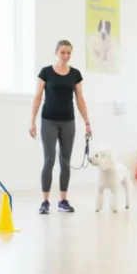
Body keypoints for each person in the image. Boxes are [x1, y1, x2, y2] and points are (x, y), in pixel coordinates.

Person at [29, 40, 92, 214]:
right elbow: (37, 97)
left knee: (65, 161)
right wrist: (32, 121)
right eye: (63, 52)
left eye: (68, 53)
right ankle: (45, 202)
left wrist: (87, 122)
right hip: (48, 120)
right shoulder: (46, 72)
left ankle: (63, 200)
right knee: (49, 160)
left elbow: (80, 99)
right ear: (56, 52)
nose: (66, 56)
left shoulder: (75, 74)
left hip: (68, 122)